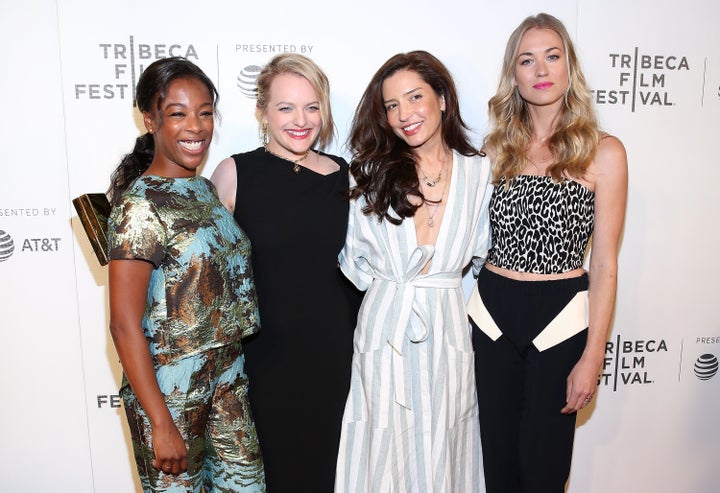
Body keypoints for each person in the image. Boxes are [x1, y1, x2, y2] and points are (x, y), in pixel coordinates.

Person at [468, 13, 628, 493]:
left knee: (543, 470)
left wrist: (593, 356)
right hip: (492, 313)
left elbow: (603, 264)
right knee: (497, 467)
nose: (541, 69)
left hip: (560, 318)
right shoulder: (495, 150)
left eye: (552, 56)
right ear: (513, 75)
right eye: (527, 59)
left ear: (569, 67)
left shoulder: (605, 152)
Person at [336, 50, 493, 492]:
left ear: (442, 98)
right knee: (381, 447)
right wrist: (393, 290)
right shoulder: (366, 173)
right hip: (385, 325)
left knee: (446, 443)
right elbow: (355, 262)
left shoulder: (480, 174)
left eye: (414, 97)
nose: (404, 115)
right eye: (391, 106)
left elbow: (480, 259)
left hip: (447, 327)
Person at [106, 56, 265, 493]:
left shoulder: (204, 188)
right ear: (150, 119)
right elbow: (123, 324)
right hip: (170, 392)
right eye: (177, 113)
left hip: (227, 380)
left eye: (205, 112)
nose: (195, 126)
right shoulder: (139, 207)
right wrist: (160, 422)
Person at [211, 53, 361, 492]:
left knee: (328, 473)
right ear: (262, 112)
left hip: (336, 357)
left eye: (312, 107)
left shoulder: (345, 177)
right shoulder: (235, 173)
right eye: (285, 107)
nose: (301, 120)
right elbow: (208, 276)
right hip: (263, 360)